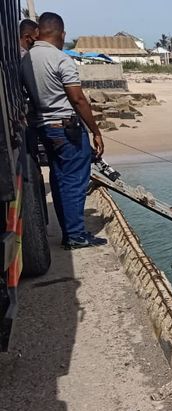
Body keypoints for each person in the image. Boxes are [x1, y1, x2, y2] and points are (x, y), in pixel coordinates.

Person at [21, 12, 107, 249]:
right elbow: (77, 99)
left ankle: (71, 232)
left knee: (59, 180)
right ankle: (76, 235)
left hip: (44, 127)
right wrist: (95, 131)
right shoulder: (61, 59)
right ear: (61, 33)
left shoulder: (27, 59)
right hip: (66, 128)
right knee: (74, 182)